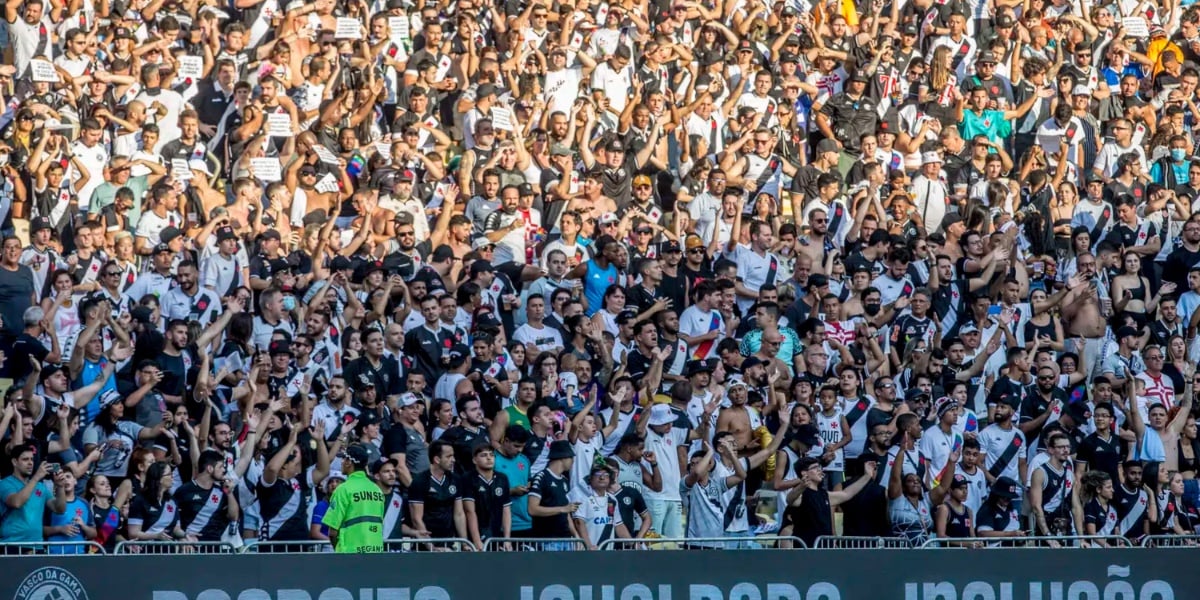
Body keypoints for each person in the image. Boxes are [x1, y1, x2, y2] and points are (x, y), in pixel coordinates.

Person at [322, 445, 386, 553]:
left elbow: (332, 531)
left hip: (350, 554)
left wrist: (339, 550)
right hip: (376, 552)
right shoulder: (377, 489)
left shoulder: (343, 490)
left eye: (344, 458)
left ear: (349, 462)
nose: (341, 462)